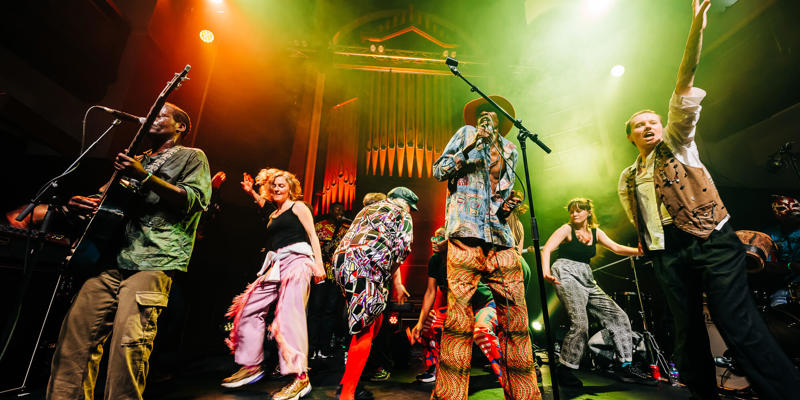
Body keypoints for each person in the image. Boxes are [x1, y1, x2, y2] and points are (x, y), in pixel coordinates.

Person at [617, 1, 800, 398]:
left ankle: (785, 392)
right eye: (639, 125)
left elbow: (684, 81)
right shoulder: (628, 176)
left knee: (735, 320)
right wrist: (651, 249)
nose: (648, 126)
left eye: (653, 121)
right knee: (686, 330)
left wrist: (696, 28)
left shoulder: (678, 142)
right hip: (668, 251)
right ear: (630, 136)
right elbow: (638, 216)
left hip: (710, 238)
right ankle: (702, 393)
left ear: (663, 125)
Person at [46, 102, 211, 400]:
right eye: (151, 113)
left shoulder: (191, 156)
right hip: (106, 258)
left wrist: (144, 176)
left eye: (161, 114)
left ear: (181, 126)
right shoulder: (135, 159)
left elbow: (195, 200)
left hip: (152, 258)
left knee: (129, 347)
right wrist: (84, 203)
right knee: (74, 343)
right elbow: (104, 199)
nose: (151, 117)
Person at [431, 95, 540, 400]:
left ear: (501, 121)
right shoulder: (465, 135)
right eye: (483, 113)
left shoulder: (510, 149)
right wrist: (469, 148)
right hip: (465, 233)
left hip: (500, 238)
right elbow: (439, 171)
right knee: (459, 318)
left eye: (493, 114)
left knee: (516, 318)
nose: (487, 117)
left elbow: (499, 200)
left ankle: (524, 395)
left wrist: (508, 206)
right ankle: (450, 396)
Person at [221, 170, 326, 400]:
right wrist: (252, 192)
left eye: (282, 185)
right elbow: (264, 204)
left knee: (289, 316)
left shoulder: (298, 207)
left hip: (298, 260)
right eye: (274, 186)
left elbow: (312, 234)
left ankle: (300, 377)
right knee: (248, 308)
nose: (277, 188)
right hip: (276, 264)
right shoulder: (274, 213)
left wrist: (318, 265)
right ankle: (251, 365)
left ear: (290, 188)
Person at [541, 198, 654, 387]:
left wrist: (640, 252)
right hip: (565, 273)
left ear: (588, 212)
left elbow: (616, 248)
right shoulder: (566, 229)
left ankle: (625, 365)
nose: (574, 214)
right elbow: (547, 249)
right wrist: (546, 271)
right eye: (571, 211)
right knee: (580, 324)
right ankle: (565, 369)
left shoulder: (595, 232)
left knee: (619, 316)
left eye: (578, 210)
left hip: (586, 276)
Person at [333, 187, 417, 400]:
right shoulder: (402, 213)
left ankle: (347, 381)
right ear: (403, 203)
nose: (410, 211)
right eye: (410, 207)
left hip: (342, 264)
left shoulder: (367, 210)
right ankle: (347, 394)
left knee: (374, 320)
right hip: (366, 266)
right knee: (366, 330)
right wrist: (392, 279)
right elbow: (402, 249)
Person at [410, 228, 508, 386]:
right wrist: (420, 323)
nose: (434, 242)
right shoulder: (435, 261)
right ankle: (433, 369)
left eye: (440, 239)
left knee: (481, 331)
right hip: (459, 309)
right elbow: (430, 292)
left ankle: (507, 374)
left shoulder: (464, 256)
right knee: (430, 323)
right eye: (433, 238)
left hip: (484, 305)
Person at [308, 201, 351, 359]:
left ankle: (324, 348)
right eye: (336, 209)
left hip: (336, 274)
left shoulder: (348, 228)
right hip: (319, 273)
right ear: (330, 211)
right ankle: (311, 348)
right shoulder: (319, 226)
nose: (339, 212)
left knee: (331, 311)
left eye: (341, 210)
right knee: (315, 309)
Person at [764, 195, 800, 307]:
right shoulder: (770, 234)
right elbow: (769, 266)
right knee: (778, 309)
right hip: (781, 289)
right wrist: (790, 266)